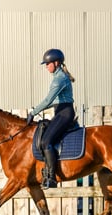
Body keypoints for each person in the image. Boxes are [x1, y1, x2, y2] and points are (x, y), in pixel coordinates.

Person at [26, 48, 75, 189]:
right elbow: (53, 101)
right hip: (60, 112)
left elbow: (48, 100)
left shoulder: (59, 79)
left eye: (48, 64)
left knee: (46, 141)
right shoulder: (58, 77)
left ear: (56, 62)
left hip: (64, 113)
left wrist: (33, 113)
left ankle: (51, 177)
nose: (46, 66)